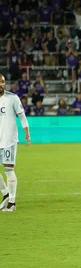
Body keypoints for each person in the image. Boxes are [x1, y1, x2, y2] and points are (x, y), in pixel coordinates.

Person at [0, 74, 31, 212]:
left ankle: (12, 203)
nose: (1, 84)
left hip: (9, 140)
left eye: (2, 82)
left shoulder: (12, 98)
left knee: (8, 170)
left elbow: (22, 116)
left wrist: (27, 133)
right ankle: (5, 193)